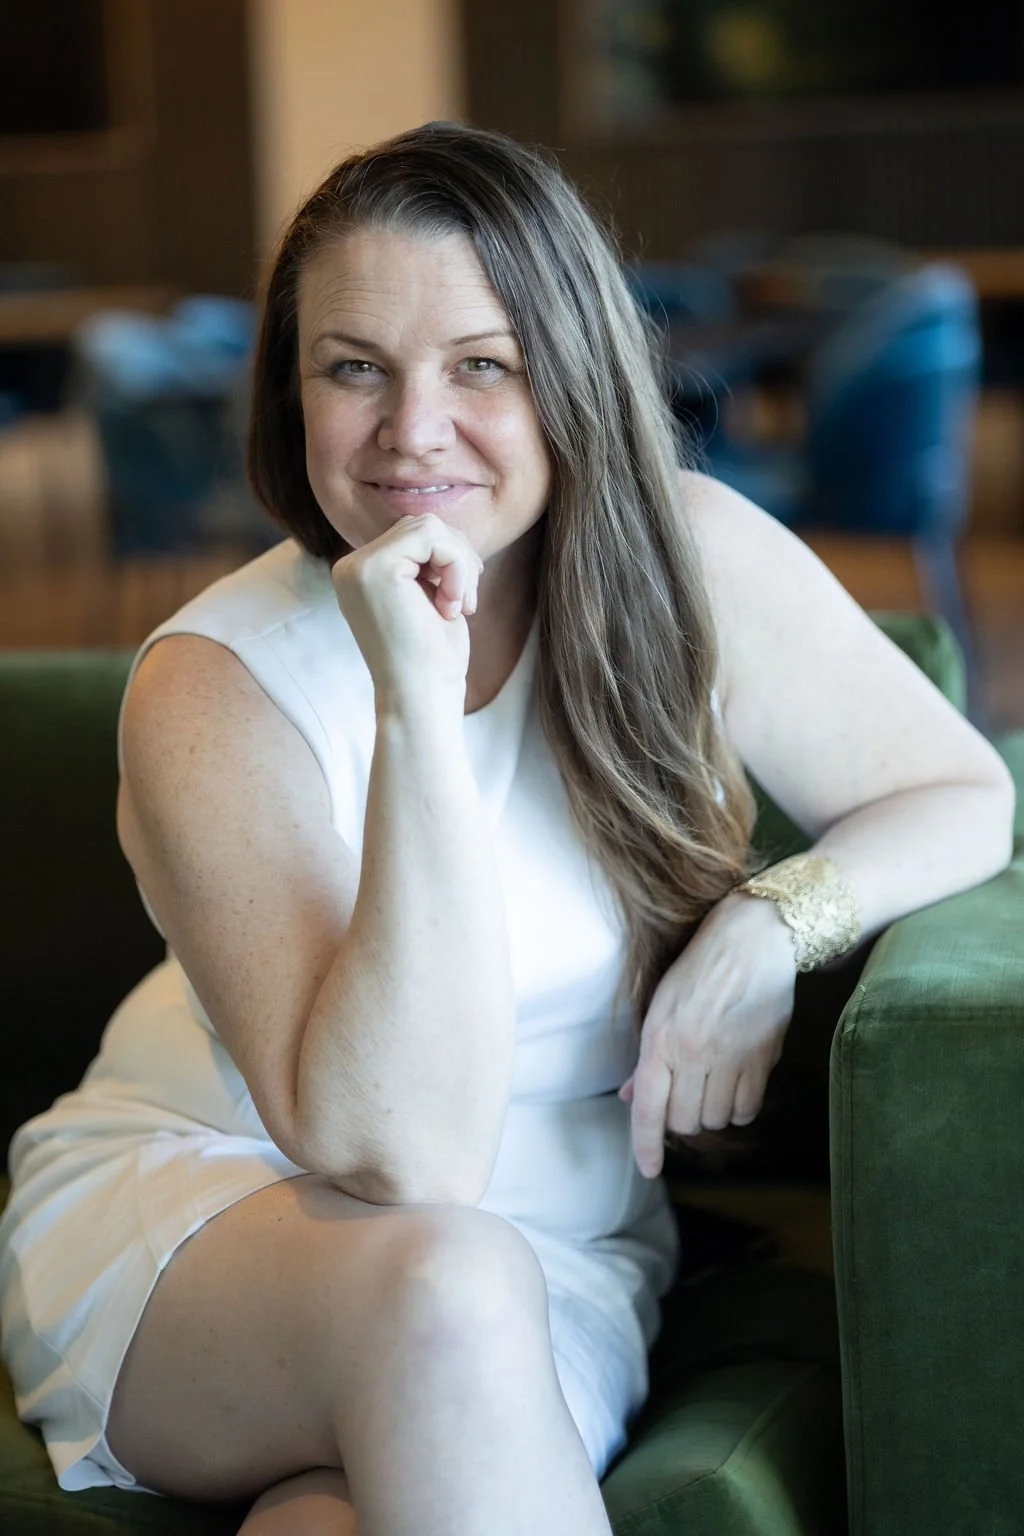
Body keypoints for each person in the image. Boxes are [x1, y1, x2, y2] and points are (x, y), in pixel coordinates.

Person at [0, 121, 1014, 1536]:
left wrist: (772, 926)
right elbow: (400, 1159)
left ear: (572, 377)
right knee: (442, 1284)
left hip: (560, 1249)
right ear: (293, 399)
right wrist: (417, 706)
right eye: (355, 368)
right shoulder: (214, 686)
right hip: (213, 1219)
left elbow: (965, 794)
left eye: (481, 364)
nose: (413, 432)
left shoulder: (691, 558)